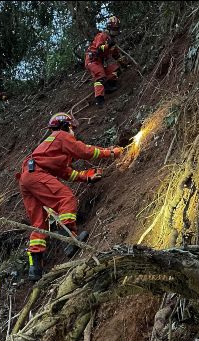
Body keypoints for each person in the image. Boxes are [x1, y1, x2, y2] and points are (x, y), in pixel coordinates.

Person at [16, 112, 123, 280]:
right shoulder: (61, 136)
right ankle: (69, 239)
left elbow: (67, 174)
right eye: (72, 128)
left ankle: (35, 267)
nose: (74, 132)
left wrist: (87, 177)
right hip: (36, 174)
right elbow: (85, 151)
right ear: (66, 126)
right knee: (66, 198)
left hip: (27, 178)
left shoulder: (51, 148)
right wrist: (110, 153)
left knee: (39, 224)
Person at [85, 15, 124, 107]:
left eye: (117, 29)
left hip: (100, 62)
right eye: (115, 29)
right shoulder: (102, 36)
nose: (116, 31)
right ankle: (99, 99)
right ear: (109, 28)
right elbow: (99, 48)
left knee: (116, 69)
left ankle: (109, 86)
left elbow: (116, 55)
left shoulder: (112, 41)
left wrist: (124, 64)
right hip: (92, 60)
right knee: (100, 76)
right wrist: (108, 46)